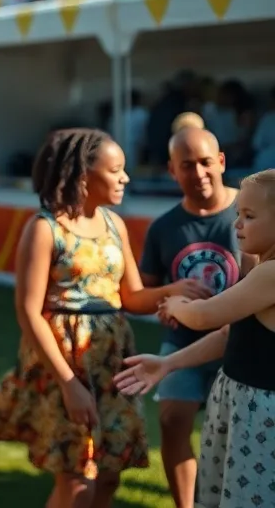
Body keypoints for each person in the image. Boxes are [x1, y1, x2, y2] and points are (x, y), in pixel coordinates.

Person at [0, 129, 151, 508]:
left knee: (108, 477)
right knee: (76, 484)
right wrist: (69, 384)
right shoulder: (44, 228)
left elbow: (132, 297)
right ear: (83, 176)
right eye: (116, 169)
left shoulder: (114, 225)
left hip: (111, 366)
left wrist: (176, 292)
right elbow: (27, 310)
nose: (125, 178)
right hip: (64, 366)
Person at [115, 169, 275, 508]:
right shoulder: (262, 270)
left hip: (261, 416)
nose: (237, 225)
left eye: (249, 216)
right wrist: (167, 364)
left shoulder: (271, 274)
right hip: (241, 409)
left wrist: (178, 304)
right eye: (238, 215)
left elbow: (206, 316)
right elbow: (230, 334)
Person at [137, 128, 252, 508]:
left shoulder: (252, 212)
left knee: (243, 435)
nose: (199, 172)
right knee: (171, 419)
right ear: (172, 170)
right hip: (184, 343)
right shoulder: (163, 227)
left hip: (242, 343)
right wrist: (169, 300)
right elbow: (147, 292)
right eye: (187, 165)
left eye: (206, 162)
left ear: (221, 161)